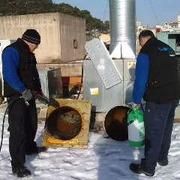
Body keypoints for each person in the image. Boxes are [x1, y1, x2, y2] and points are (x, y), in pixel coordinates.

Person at [129, 30, 180, 176]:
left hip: (158, 99)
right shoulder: (168, 48)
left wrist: (136, 101)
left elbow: (140, 81)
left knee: (153, 133)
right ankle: (162, 158)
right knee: (166, 129)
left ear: (142, 40)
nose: (140, 46)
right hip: (174, 95)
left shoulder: (146, 52)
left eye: (140, 44)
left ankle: (149, 167)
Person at [2, 29, 47, 178]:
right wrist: (22, 90)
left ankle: (29, 147)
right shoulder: (11, 51)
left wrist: (38, 91)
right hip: (17, 97)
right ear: (31, 42)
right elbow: (9, 74)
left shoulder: (29, 54)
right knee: (18, 130)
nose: (37, 48)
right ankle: (18, 164)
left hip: (29, 95)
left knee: (31, 123)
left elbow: (33, 75)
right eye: (37, 45)